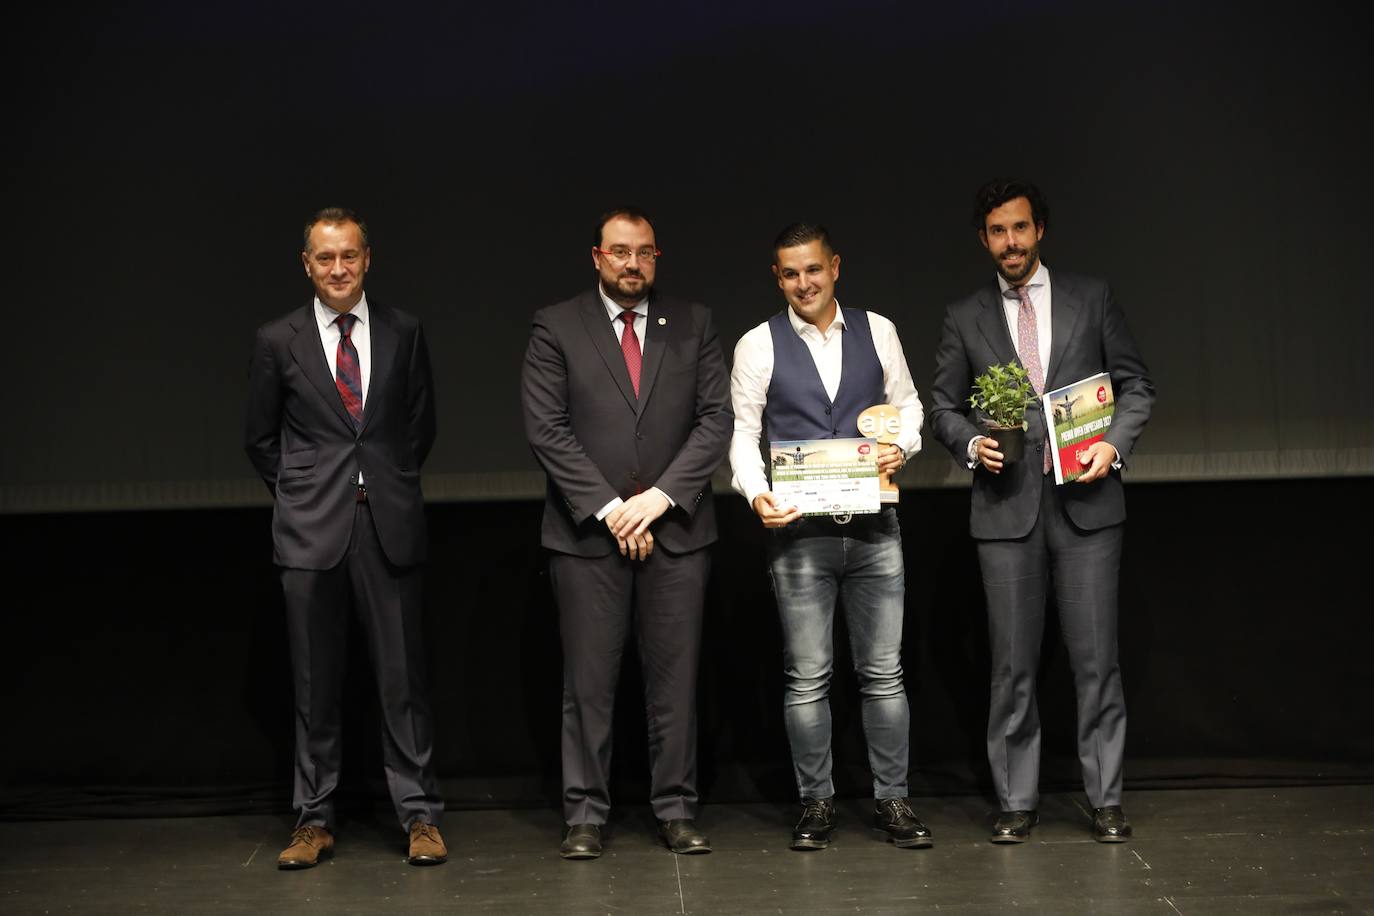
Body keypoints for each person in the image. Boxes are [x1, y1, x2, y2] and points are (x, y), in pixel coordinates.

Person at [929, 179, 1155, 843]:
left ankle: (1106, 798)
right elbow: (942, 405)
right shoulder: (964, 314)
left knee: (1096, 661)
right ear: (984, 239)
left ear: (1040, 230)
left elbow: (1136, 385)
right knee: (1012, 664)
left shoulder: (1092, 297)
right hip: (1006, 510)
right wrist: (971, 443)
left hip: (1087, 501)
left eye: (1020, 229)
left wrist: (1112, 450)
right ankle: (1017, 800)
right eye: (998, 232)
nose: (1011, 243)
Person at [520, 207, 732, 859]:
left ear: (656, 257)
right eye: (618, 252)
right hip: (587, 538)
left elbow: (714, 420)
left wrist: (660, 501)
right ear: (596, 257)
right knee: (588, 684)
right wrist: (614, 509)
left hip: (677, 531)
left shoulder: (694, 323)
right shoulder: (556, 325)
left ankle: (676, 808)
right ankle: (585, 813)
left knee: (676, 681)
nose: (631, 263)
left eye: (643, 252)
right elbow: (546, 428)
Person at [244, 208, 447, 869]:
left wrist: (375, 485)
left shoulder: (402, 331)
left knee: (402, 682)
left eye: (349, 257)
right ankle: (313, 821)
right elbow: (260, 438)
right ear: (307, 264)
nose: (338, 269)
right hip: (310, 532)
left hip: (386, 523)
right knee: (314, 684)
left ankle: (419, 818)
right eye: (325, 259)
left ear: (367, 259)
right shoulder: (279, 339)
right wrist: (306, 493)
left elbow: (419, 427)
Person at [728, 223, 930, 851]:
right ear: (777, 277)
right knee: (808, 676)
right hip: (800, 539)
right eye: (790, 274)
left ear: (835, 267)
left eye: (812, 270)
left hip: (875, 530)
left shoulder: (880, 330)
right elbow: (742, 432)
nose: (803, 283)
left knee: (883, 675)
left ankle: (892, 801)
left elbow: (911, 405)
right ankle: (817, 804)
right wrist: (754, 490)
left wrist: (902, 445)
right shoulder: (757, 345)